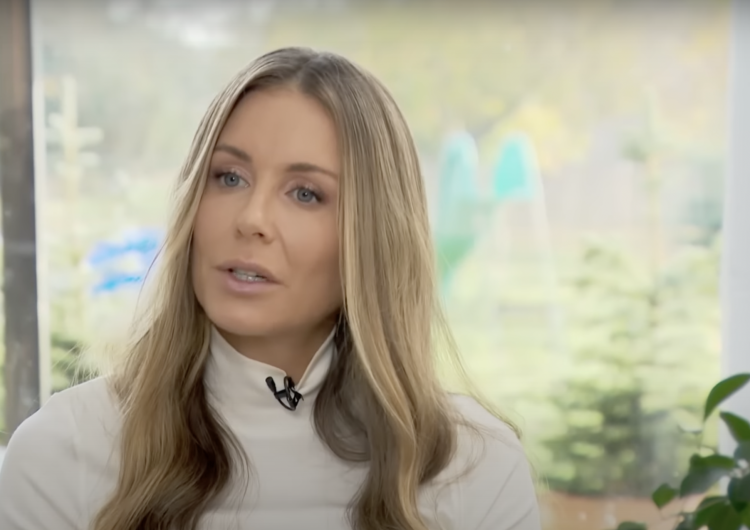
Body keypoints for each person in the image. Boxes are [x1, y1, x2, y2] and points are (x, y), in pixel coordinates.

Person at [0, 47, 540, 530]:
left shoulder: (475, 467)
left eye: (305, 194)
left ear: (373, 237)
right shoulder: (62, 452)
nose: (251, 218)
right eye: (229, 177)